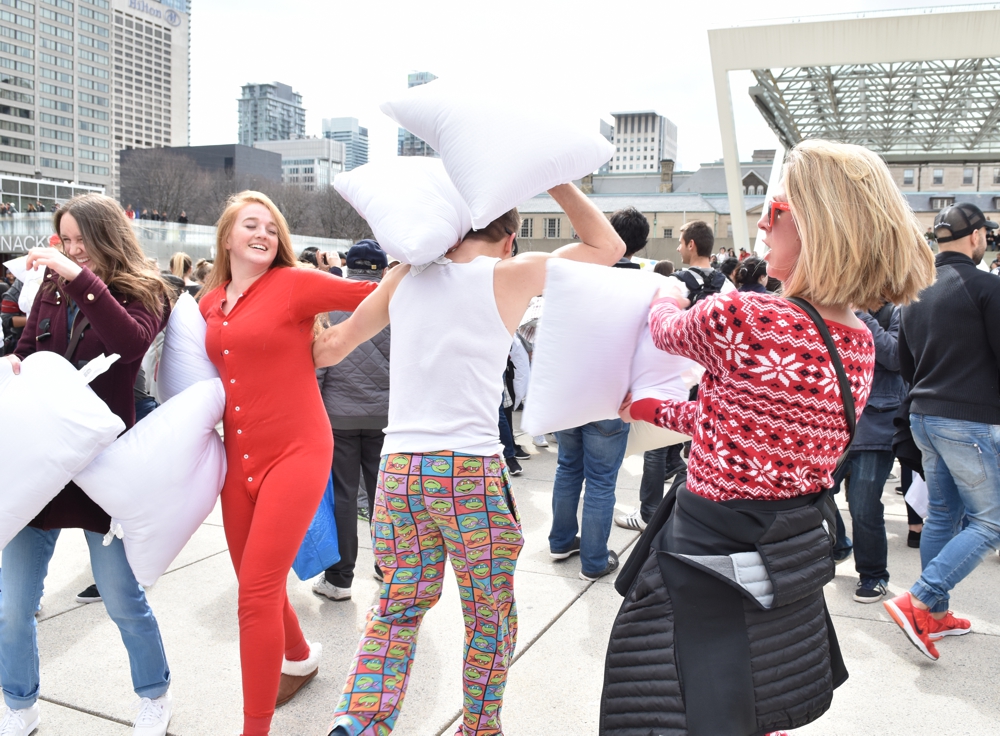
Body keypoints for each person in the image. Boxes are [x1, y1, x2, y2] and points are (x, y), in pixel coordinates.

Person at [602, 139, 934, 735]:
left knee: (677, 696)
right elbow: (753, 434)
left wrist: (668, 290)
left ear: (816, 224)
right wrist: (660, 410)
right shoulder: (857, 340)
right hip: (783, 549)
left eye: (774, 210)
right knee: (750, 695)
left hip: (705, 548)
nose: (761, 223)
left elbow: (664, 328)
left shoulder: (746, 316)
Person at [313, 182, 624, 736]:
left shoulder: (402, 276)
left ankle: (359, 720)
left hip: (400, 468)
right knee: (488, 613)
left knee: (397, 605)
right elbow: (608, 248)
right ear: (509, 239)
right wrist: (554, 177)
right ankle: (479, 728)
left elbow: (331, 346)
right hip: (468, 469)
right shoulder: (510, 274)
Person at [197, 191, 376, 736]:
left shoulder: (295, 283)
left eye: (272, 228)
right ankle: (299, 655)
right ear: (227, 237)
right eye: (251, 224)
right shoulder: (210, 301)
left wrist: (419, 264)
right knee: (257, 582)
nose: (263, 234)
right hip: (238, 461)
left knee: (253, 595)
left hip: (298, 451)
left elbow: (370, 293)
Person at [0, 194, 176, 736]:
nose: (73, 249)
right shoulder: (50, 287)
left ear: (107, 235)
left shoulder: (145, 288)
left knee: (121, 598)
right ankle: (19, 704)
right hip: (42, 460)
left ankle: (154, 695)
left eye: (82, 239)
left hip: (105, 464)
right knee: (11, 607)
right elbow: (28, 346)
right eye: (66, 240)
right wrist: (14, 363)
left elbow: (131, 342)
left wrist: (78, 277)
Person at [887, 202, 1000, 660]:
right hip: (967, 419)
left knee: (941, 515)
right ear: (976, 236)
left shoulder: (915, 291)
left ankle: (933, 614)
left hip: (924, 415)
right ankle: (919, 599)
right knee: (991, 521)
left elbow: (905, 363)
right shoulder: (987, 287)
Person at [550, 206, 647, 575]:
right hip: (611, 394)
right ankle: (593, 560)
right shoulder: (643, 285)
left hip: (569, 389)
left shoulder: (577, 276)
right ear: (640, 244)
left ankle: (561, 541)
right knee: (602, 481)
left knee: (567, 467)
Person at [312, 240, 391, 602]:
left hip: (338, 416)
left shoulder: (330, 304)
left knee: (343, 496)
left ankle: (340, 579)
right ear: (383, 270)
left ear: (348, 266)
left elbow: (319, 365)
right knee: (384, 496)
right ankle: (388, 568)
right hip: (385, 416)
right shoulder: (394, 303)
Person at [830, 302, 906, 603]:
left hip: (877, 424)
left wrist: (858, 315)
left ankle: (873, 574)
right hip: (836, 424)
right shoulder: (834, 307)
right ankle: (838, 545)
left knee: (864, 507)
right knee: (814, 494)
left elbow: (895, 357)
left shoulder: (896, 312)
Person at [671, 220, 736, 304]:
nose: (678, 249)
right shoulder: (728, 286)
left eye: (681, 243)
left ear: (691, 245)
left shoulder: (675, 284)